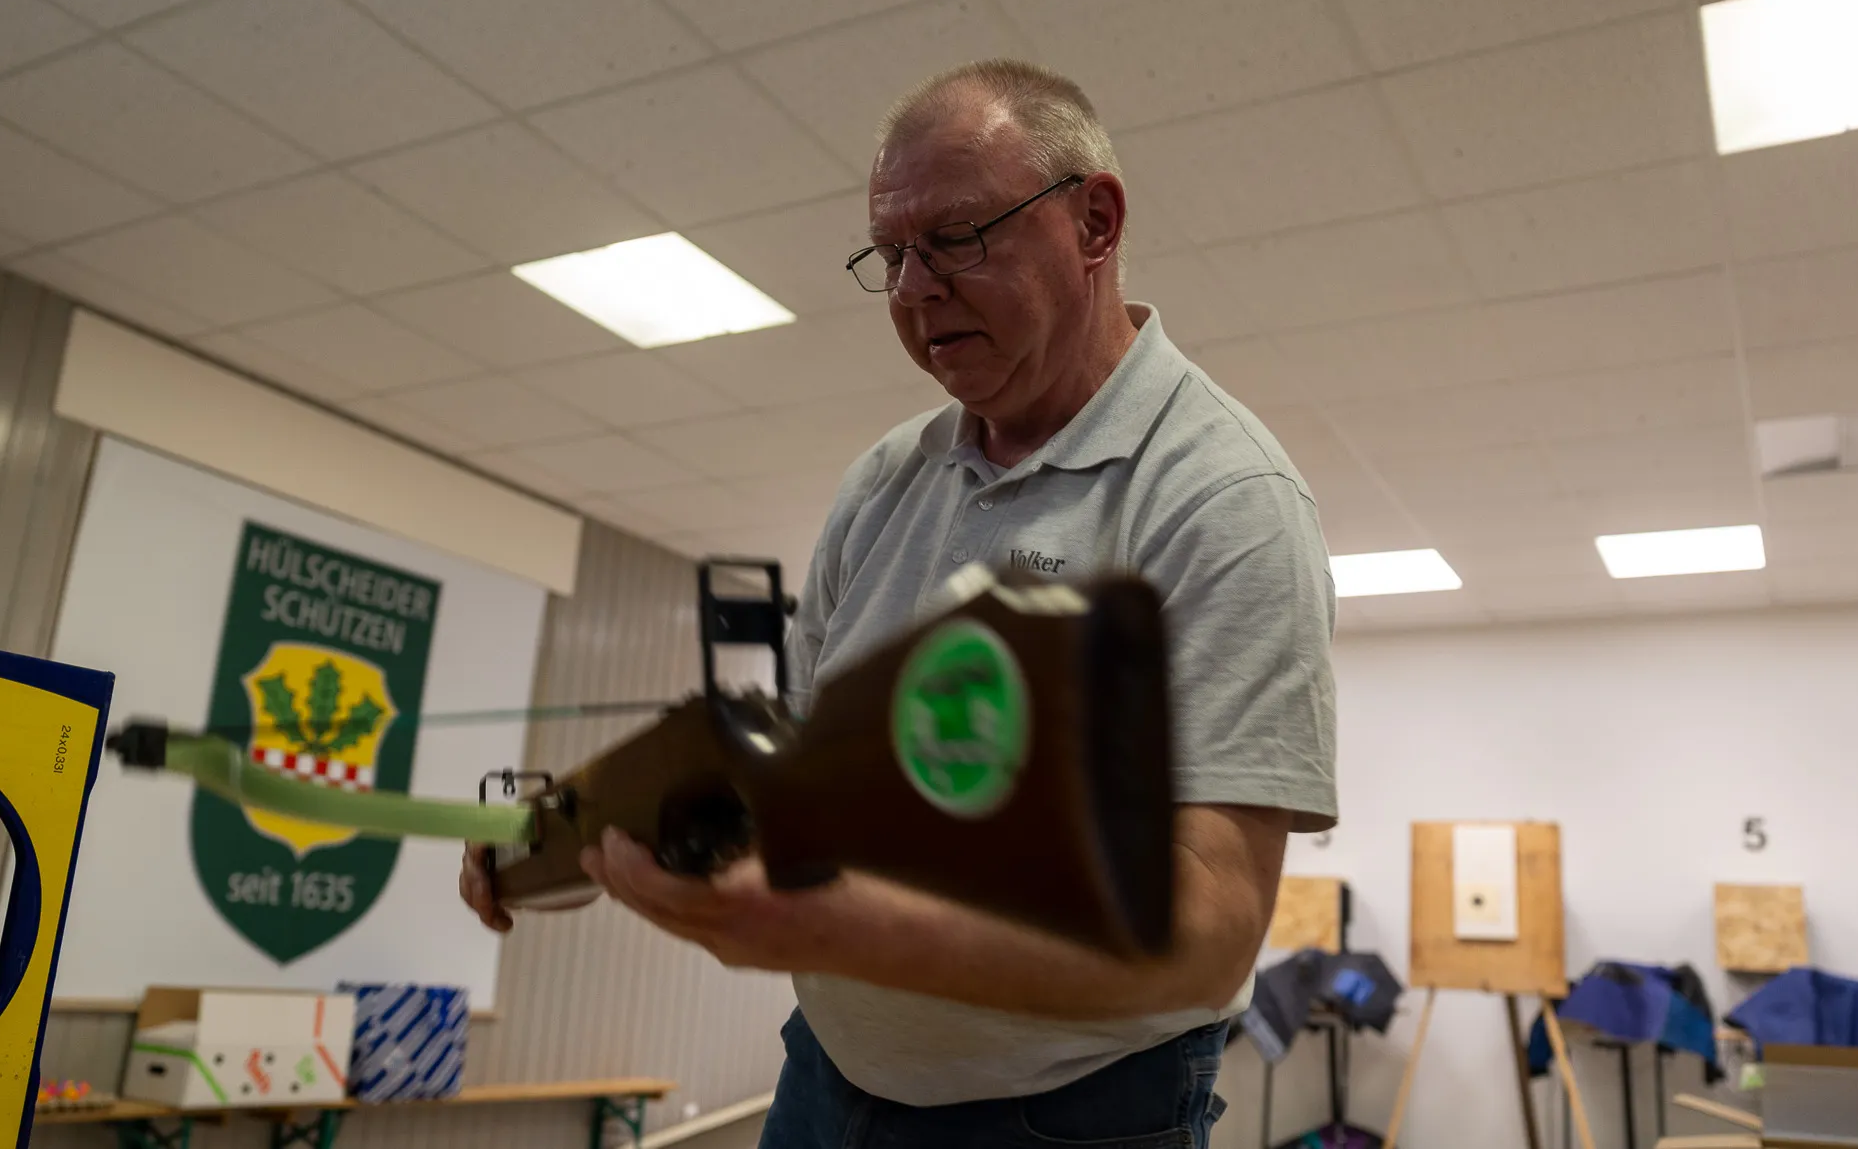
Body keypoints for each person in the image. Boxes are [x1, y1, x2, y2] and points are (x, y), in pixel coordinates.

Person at [462, 59, 1337, 1147]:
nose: (915, 289)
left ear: (1095, 223)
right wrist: (587, 837)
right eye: (890, 254)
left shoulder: (1220, 495)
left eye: (956, 237)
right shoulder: (885, 481)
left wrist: (856, 929)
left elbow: (1208, 932)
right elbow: (781, 777)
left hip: (1070, 1116)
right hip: (827, 1076)